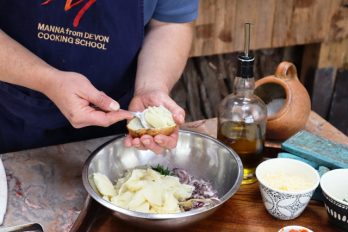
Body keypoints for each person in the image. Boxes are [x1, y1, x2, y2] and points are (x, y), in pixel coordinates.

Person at [0, 0, 199, 154]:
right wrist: (46, 80)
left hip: (117, 124)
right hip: (11, 119)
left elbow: (169, 23)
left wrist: (151, 86)